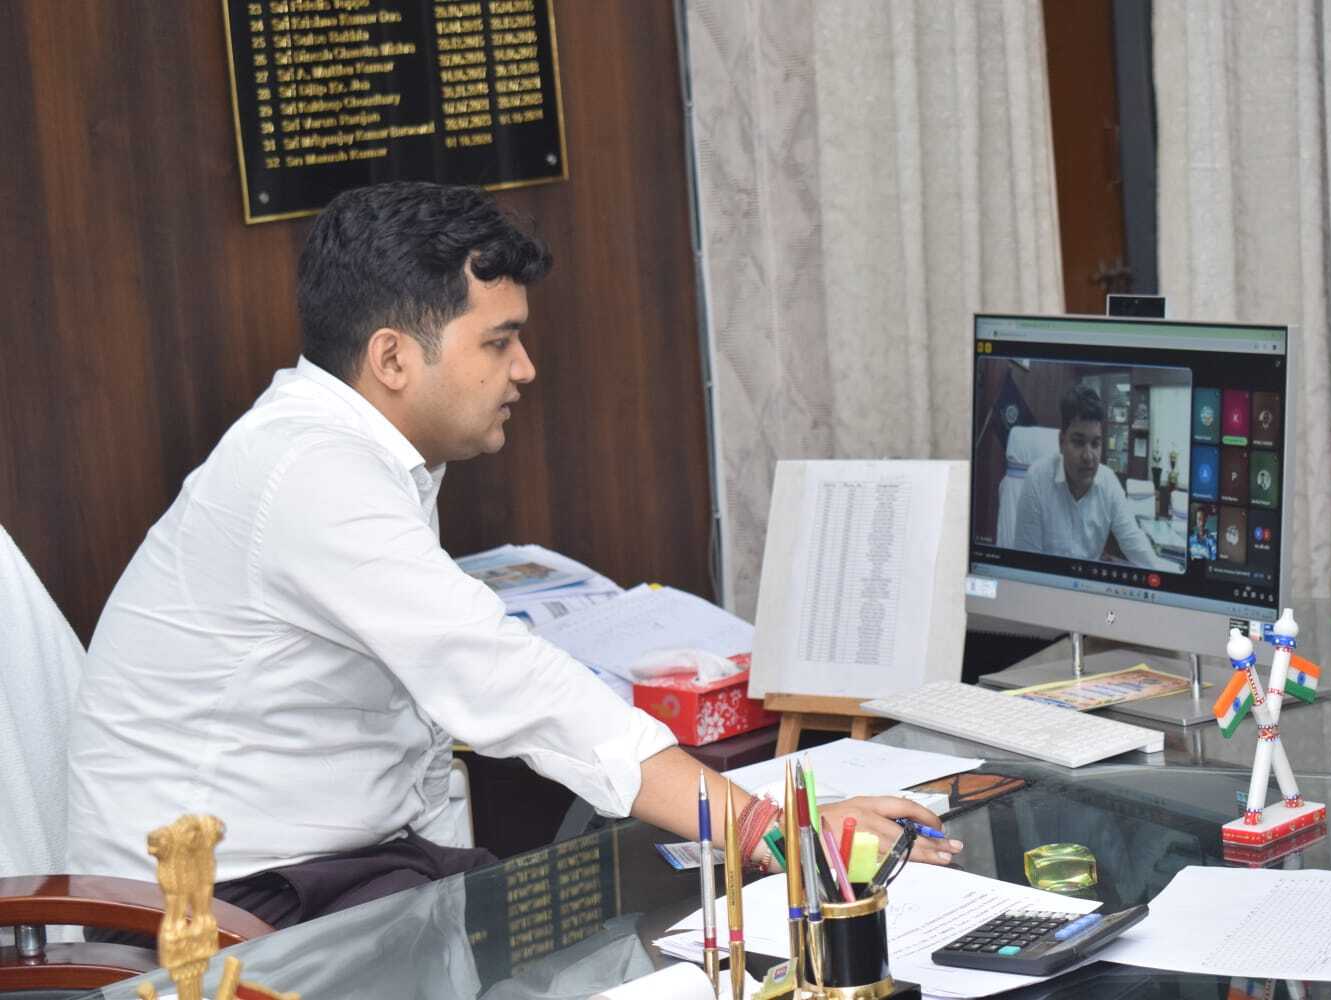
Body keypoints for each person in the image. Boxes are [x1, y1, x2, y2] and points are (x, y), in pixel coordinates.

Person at [66, 183, 957, 929]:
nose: (524, 368)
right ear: (392, 359)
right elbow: (503, 680)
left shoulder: (364, 452)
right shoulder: (310, 473)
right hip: (213, 908)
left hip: (337, 866)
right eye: (498, 341)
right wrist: (772, 831)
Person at [1011, 384, 1166, 568]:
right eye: (1078, 442)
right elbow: (1026, 563)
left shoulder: (1109, 483)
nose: (1088, 456)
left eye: (1095, 444)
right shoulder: (1037, 479)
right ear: (1061, 442)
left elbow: (1136, 545)